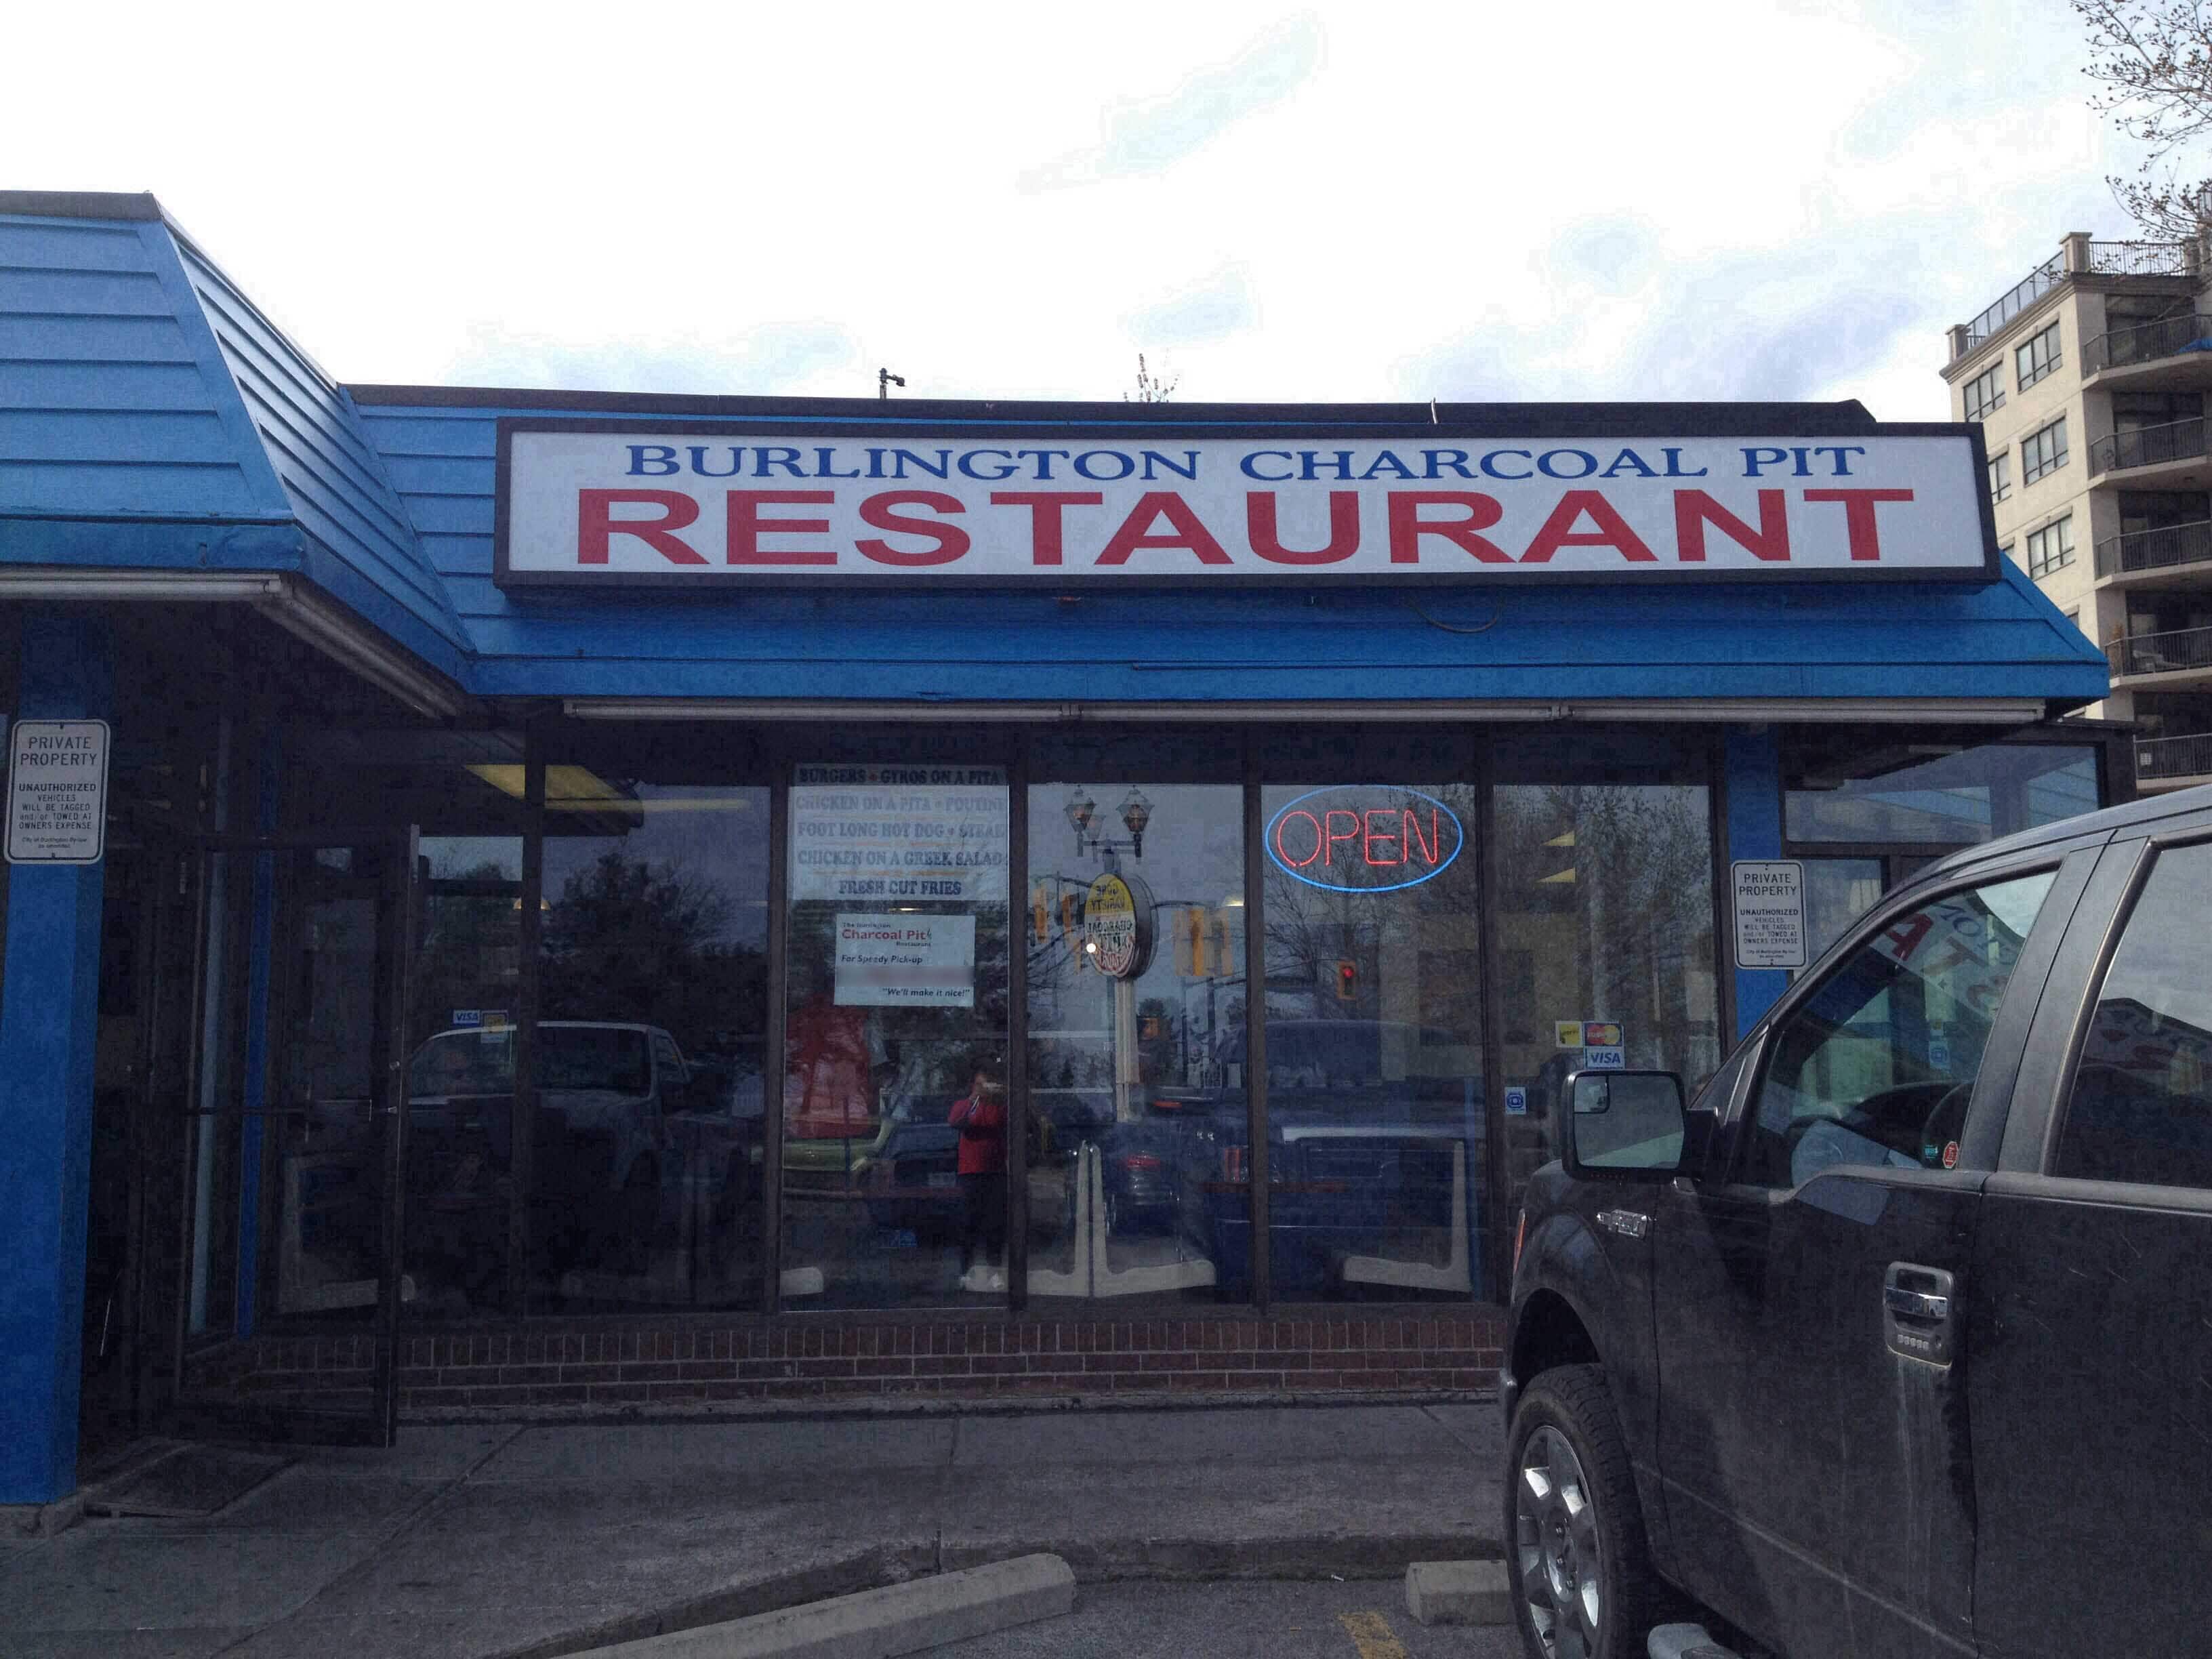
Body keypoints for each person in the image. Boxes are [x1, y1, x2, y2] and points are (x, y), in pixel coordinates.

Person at [947, 1057, 1008, 1280]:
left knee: (995, 1224)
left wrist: (993, 1098)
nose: (983, 1089)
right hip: (970, 1173)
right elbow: (956, 1120)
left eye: (986, 1084)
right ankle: (966, 1271)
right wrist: (975, 1099)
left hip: (995, 1172)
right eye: (979, 1084)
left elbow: (993, 1122)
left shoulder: (998, 1107)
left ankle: (995, 1270)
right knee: (968, 1223)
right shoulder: (964, 1105)